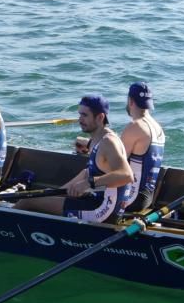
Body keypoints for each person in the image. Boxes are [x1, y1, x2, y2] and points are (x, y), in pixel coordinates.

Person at [16, 95, 133, 223]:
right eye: (79, 115)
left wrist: (88, 183)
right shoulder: (97, 138)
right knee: (40, 196)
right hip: (95, 201)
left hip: (103, 210)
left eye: (85, 115)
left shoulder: (109, 142)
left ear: (100, 117)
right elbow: (87, 173)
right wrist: (55, 193)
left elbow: (126, 175)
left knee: (27, 201)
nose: (80, 119)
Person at [118, 82, 166, 213]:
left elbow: (114, 164)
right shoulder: (158, 128)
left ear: (130, 101)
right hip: (146, 198)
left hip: (130, 198)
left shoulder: (135, 126)